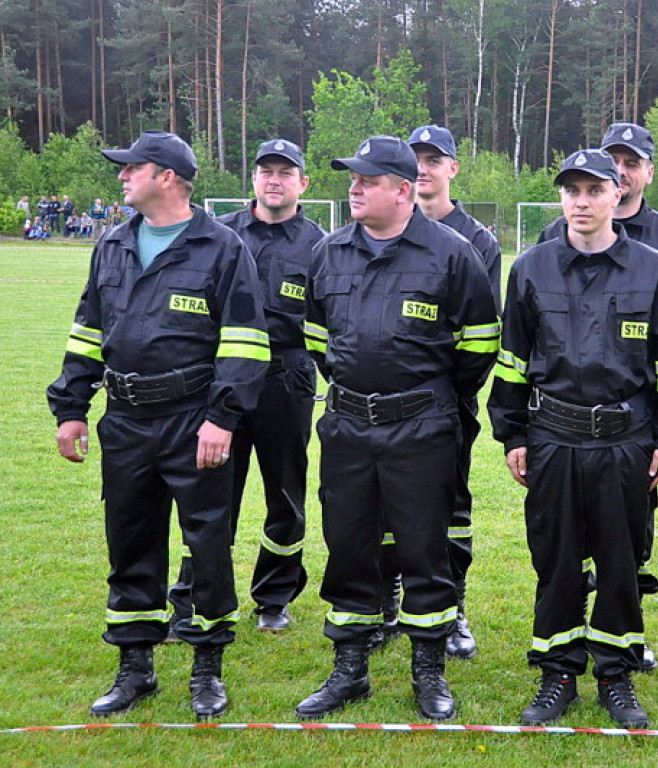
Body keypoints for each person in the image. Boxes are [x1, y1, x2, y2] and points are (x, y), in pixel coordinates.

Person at [46, 130, 271, 720]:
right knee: (131, 542)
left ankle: (207, 669)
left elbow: (245, 343)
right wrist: (71, 407)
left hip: (192, 420)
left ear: (167, 176)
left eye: (131, 168)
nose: (121, 177)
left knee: (207, 545)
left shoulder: (222, 248)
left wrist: (222, 418)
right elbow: (88, 331)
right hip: (124, 422)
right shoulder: (114, 244)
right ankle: (135, 668)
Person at [295, 135, 498, 722]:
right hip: (349, 426)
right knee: (350, 546)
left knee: (424, 549)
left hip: (423, 429)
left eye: (367, 180)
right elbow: (317, 339)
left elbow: (479, 347)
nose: (354, 188)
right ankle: (350, 669)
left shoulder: (453, 254)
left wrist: (427, 401)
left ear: (403, 190)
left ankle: (428, 672)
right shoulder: (329, 252)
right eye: (351, 179)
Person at [489, 149, 658, 728]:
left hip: (625, 441)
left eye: (593, 191)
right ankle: (557, 673)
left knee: (619, 559)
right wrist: (512, 435)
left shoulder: (653, 269)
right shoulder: (530, 268)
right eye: (571, 191)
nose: (581, 202)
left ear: (616, 194)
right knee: (555, 559)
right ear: (561, 198)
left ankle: (615, 673)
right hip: (552, 436)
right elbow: (512, 360)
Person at [540, 122, 658, 673]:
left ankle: (622, 636)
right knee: (562, 541)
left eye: (628, 163)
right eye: (611, 160)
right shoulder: (547, 244)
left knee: (627, 537)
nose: (621, 170)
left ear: (639, 175)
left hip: (630, 424)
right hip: (562, 428)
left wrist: (653, 412)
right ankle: (566, 646)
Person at [167, 139, 324, 636]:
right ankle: (193, 595)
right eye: (265, 170)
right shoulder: (219, 234)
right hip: (224, 384)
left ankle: (274, 596)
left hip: (287, 381)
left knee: (286, 497)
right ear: (252, 179)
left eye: (285, 171)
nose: (273, 179)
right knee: (211, 495)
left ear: (303, 183)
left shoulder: (322, 245)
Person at [404, 123, 502, 660]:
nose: (424, 167)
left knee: (451, 507)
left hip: (448, 404)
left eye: (434, 159)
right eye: (416, 157)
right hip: (390, 405)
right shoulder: (392, 226)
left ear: (452, 168)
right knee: (386, 510)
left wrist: (448, 394)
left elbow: (481, 335)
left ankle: (454, 605)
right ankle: (393, 601)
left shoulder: (479, 240)